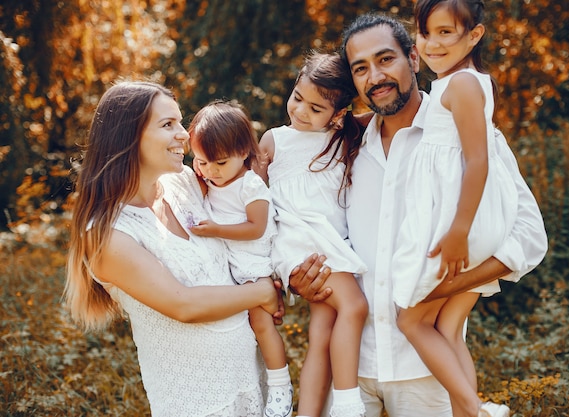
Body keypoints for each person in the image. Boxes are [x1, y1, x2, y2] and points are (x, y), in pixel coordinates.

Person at [288, 12, 548, 417]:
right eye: (361, 68)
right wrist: (302, 277)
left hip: (427, 374)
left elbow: (529, 237)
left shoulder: (462, 133)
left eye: (385, 59)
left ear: (413, 58)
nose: (375, 76)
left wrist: (446, 287)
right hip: (348, 374)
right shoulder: (338, 149)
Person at [63, 81, 281, 417]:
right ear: (128, 137)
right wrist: (264, 291)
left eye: (180, 122)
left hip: (251, 379)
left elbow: (255, 206)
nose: (183, 134)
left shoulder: (186, 184)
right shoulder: (107, 234)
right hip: (197, 401)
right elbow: (184, 305)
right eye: (168, 125)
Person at [391, 1, 515, 416]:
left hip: (460, 227)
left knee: (410, 320)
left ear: (473, 36)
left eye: (447, 32)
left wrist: (459, 230)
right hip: (468, 222)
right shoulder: (461, 83)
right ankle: (466, 412)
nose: (433, 43)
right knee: (448, 329)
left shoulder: (462, 84)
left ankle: (473, 410)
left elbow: (476, 160)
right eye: (425, 33)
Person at [256, 52, 369, 417]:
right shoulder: (275, 140)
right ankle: (349, 404)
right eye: (297, 98)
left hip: (328, 242)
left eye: (316, 108)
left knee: (323, 331)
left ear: (337, 115)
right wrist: (266, 269)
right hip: (301, 240)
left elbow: (386, 115)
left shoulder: (342, 136)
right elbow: (252, 198)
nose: (301, 111)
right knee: (354, 306)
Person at [187, 100, 293, 417]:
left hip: (254, 267)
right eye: (201, 162)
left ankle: (281, 385)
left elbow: (256, 228)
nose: (210, 171)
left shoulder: (251, 186)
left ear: (244, 152)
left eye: (218, 163)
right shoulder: (210, 177)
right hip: (230, 269)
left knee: (262, 326)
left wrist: (217, 229)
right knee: (241, 331)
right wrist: (202, 168)